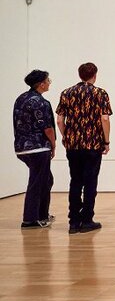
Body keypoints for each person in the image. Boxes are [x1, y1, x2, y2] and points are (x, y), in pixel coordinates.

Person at [56, 63, 112, 234]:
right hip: (93, 143)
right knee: (90, 182)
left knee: (75, 181)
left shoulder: (67, 93)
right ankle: (87, 220)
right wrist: (106, 141)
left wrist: (67, 135)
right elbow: (104, 119)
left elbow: (59, 120)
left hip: (73, 145)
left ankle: (73, 221)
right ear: (94, 74)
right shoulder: (100, 93)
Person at [13, 70, 56, 229]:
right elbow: (47, 127)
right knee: (38, 182)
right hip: (37, 148)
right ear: (41, 84)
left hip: (21, 147)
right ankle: (31, 219)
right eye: (48, 80)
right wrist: (53, 144)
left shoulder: (21, 99)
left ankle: (42, 214)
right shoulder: (40, 102)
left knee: (46, 179)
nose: (49, 82)